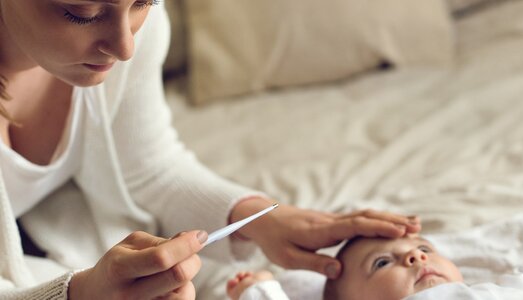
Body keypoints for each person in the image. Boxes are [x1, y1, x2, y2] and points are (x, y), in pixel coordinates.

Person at [0, 1, 422, 299]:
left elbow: (148, 167)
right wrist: (76, 296)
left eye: (145, 1)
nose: (125, 46)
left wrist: (261, 219)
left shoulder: (127, 30)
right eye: (83, 12)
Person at [225, 126, 523, 300]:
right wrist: (258, 290)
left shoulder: (504, 292)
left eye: (425, 248)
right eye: (382, 263)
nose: (415, 256)